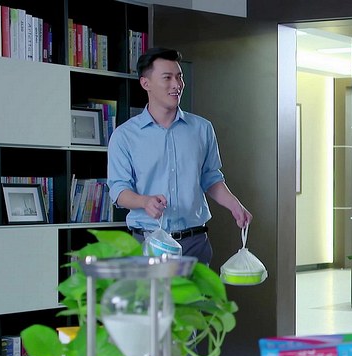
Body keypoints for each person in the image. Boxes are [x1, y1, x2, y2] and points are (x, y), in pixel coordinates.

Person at [107, 47, 251, 265]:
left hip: (195, 244)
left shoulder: (202, 129)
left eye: (179, 77)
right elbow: (118, 190)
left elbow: (211, 177)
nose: (177, 84)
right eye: (167, 78)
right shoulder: (125, 136)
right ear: (146, 83)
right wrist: (144, 201)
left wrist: (234, 205)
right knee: (152, 291)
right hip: (149, 244)